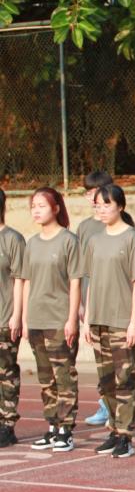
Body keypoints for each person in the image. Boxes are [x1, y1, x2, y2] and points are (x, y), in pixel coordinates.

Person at [84, 185, 135, 459]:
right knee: (106, 380)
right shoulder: (94, 240)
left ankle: (125, 435)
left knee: (124, 379)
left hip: (121, 320)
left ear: (120, 206)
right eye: (97, 205)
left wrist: (134, 322)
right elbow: (91, 280)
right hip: (98, 320)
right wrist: (87, 319)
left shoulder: (131, 237)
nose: (101, 210)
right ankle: (114, 429)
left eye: (106, 204)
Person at [22, 188, 82, 452]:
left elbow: (75, 281)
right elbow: (26, 281)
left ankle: (66, 430)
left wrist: (72, 319)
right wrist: (25, 318)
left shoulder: (68, 240)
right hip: (36, 319)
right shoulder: (32, 243)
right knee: (46, 378)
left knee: (63, 376)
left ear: (56, 208)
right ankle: (52, 426)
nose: (36, 210)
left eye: (42, 205)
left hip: (59, 319)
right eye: (33, 206)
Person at [79, 171, 114, 427]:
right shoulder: (84, 227)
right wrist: (82, 303)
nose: (93, 198)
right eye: (89, 193)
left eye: (97, 192)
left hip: (115, 301)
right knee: (100, 358)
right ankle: (105, 403)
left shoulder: (121, 223)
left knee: (118, 360)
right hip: (92, 301)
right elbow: (83, 269)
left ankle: (118, 406)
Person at [0, 188, 24, 448]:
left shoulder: (12, 239)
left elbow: (19, 279)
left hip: (5, 318)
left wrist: (16, 315)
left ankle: (7, 424)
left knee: (6, 373)